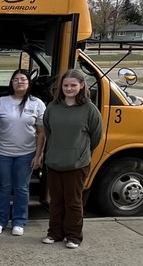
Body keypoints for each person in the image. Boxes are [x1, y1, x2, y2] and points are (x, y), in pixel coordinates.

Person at [42, 69, 103, 249]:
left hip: (77, 164)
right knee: (56, 201)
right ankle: (54, 233)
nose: (69, 88)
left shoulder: (90, 110)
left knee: (73, 202)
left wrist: (80, 151)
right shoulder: (53, 107)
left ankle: (73, 236)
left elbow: (96, 137)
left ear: (82, 85)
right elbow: (48, 131)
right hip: (54, 161)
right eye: (66, 85)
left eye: (73, 85)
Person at [0, 69, 46, 236]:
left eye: (23, 79)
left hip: (27, 153)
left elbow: (41, 132)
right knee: (3, 187)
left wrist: (38, 155)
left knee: (21, 188)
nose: (19, 82)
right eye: (16, 79)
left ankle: (19, 221)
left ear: (29, 83)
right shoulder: (1, 102)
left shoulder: (37, 104)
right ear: (11, 83)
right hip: (3, 152)